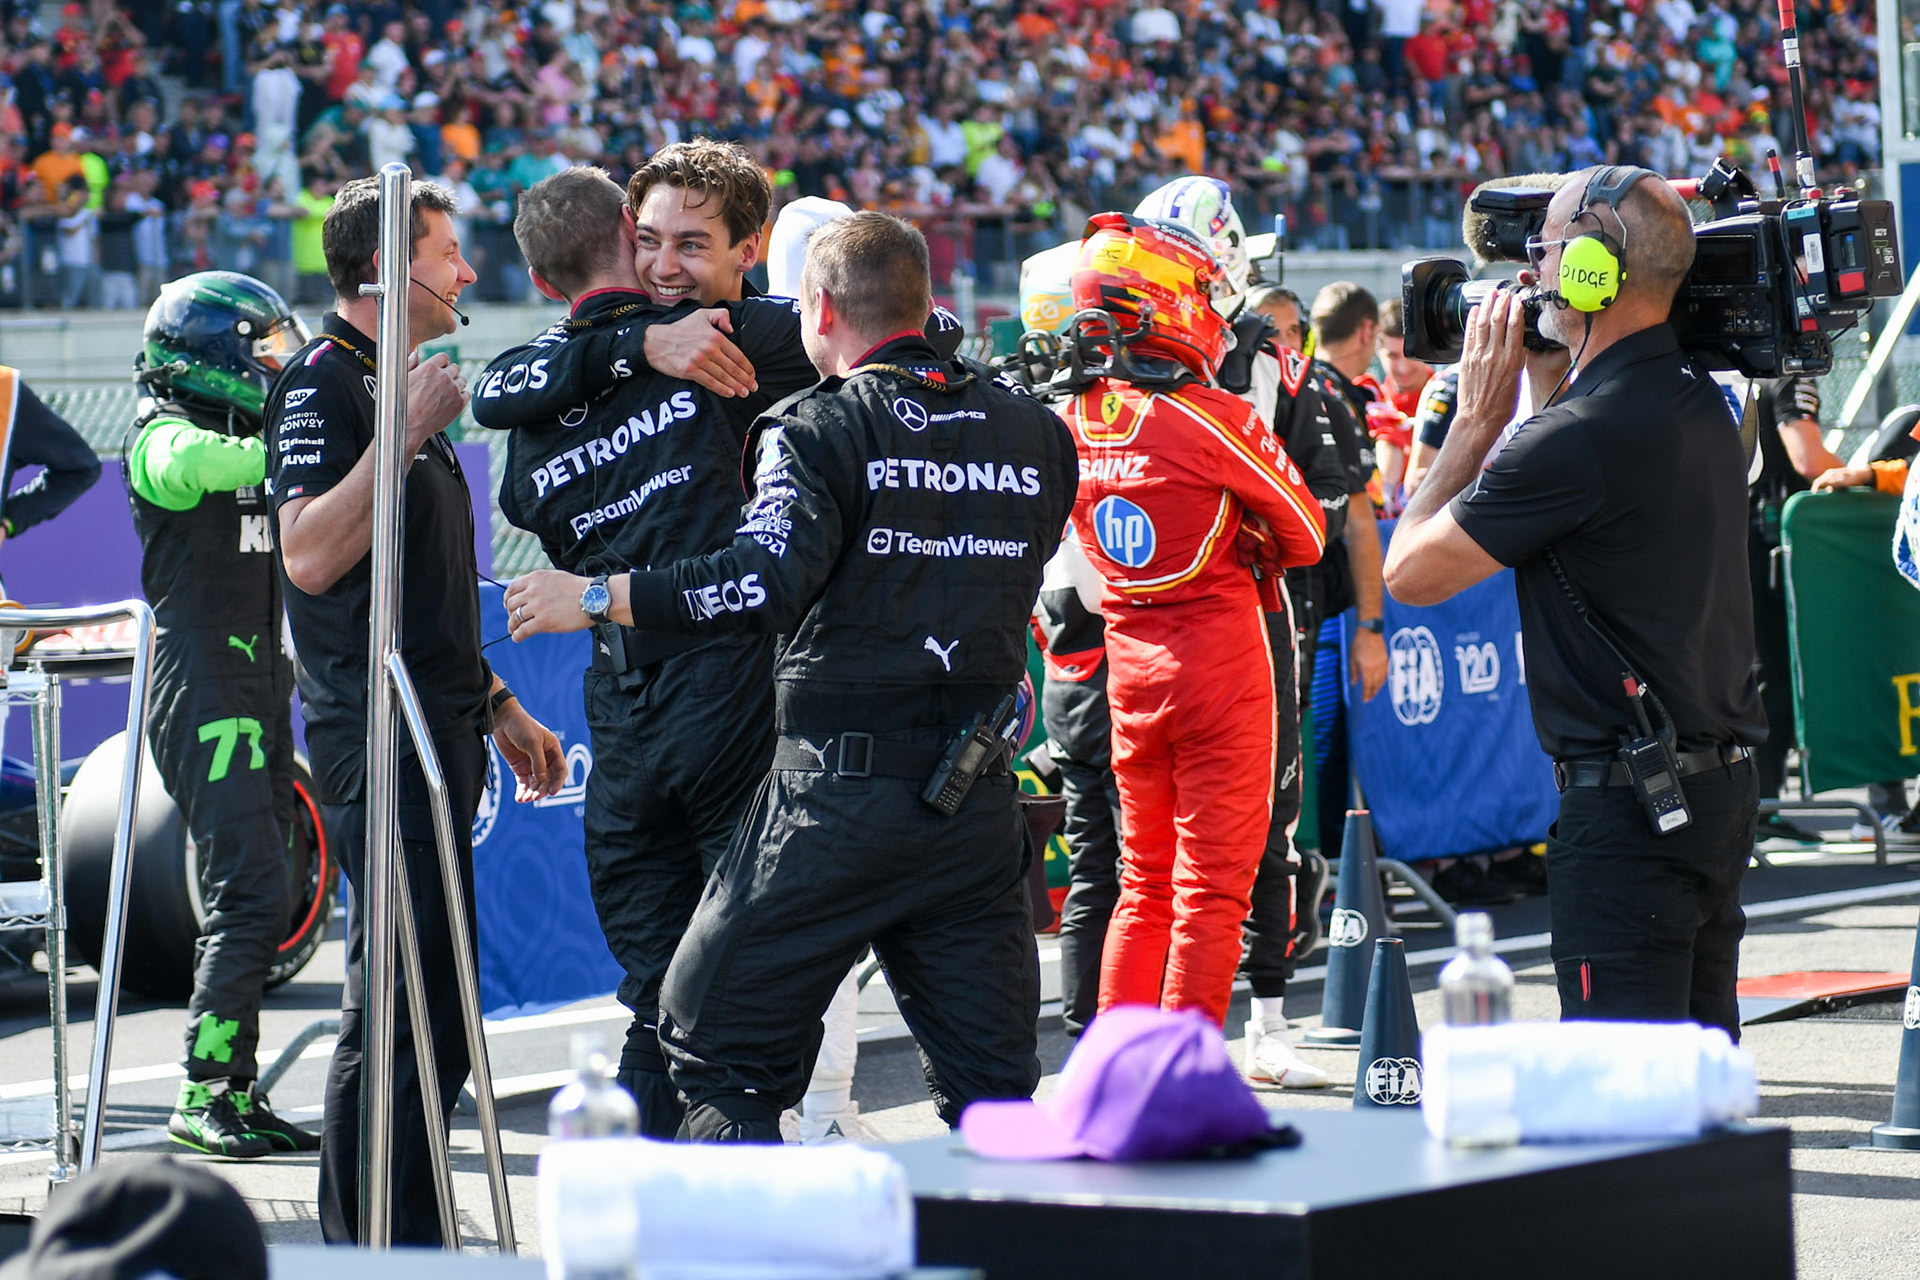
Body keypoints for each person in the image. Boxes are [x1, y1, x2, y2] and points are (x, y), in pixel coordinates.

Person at [505, 211, 1077, 1142]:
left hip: (837, 801)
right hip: (973, 804)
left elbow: (758, 581)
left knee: (710, 1037)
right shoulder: (1034, 427)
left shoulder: (817, 426)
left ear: (815, 307)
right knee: (995, 1090)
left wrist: (602, 597)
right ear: (923, 302)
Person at [471, 154, 816, 1139]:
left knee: (685, 984)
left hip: (662, 703)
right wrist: (646, 348)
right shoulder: (701, 339)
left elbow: (514, 458)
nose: (669, 259)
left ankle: (663, 1190)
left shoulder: (551, 396)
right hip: (688, 701)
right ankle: (718, 1189)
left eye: (689, 243)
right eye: (656, 240)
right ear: (629, 234)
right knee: (713, 982)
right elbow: (895, 332)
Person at [1385, 166, 1764, 1036]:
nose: (1529, 274)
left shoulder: (1571, 442)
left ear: (1593, 270)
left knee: (1623, 1106)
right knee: (1702, 1089)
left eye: (1546, 250)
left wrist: (1475, 427)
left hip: (1629, 812)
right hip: (1713, 791)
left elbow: (1410, 572)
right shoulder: (1699, 400)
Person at [265, 176, 565, 1245]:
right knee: (391, 999)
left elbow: (427, 593)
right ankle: (364, 1244)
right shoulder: (325, 384)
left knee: (438, 1004)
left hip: (441, 728)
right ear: (390, 267)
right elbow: (307, 556)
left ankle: (419, 1229)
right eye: (449, 253)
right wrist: (398, 431)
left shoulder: (402, 388)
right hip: (373, 739)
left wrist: (494, 701)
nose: (469, 274)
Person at [1062, 212, 1325, 1030]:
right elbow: (1308, 536)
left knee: (1142, 883)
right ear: (1169, 305)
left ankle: (1115, 1069)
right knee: (1212, 892)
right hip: (1221, 666)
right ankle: (1184, 1084)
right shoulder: (1214, 416)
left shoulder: (1072, 419)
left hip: (1129, 666)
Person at [1133, 180, 1344, 1086]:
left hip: (1203, 626)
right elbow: (1302, 518)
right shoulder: (1149, 373)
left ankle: (1257, 1014)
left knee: (1236, 837)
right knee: (1168, 861)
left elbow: (1319, 505)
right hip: (1181, 631)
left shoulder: (1263, 356)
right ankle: (1165, 1055)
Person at [127, 272, 321, 1161]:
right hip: (201, 684)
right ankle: (200, 1092)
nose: (274, 364)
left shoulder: (250, 432)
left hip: (257, 680)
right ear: (211, 357)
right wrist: (296, 449)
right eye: (260, 348)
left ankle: (237, 1089)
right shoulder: (159, 437)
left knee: (272, 887)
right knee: (246, 891)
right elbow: (190, 468)